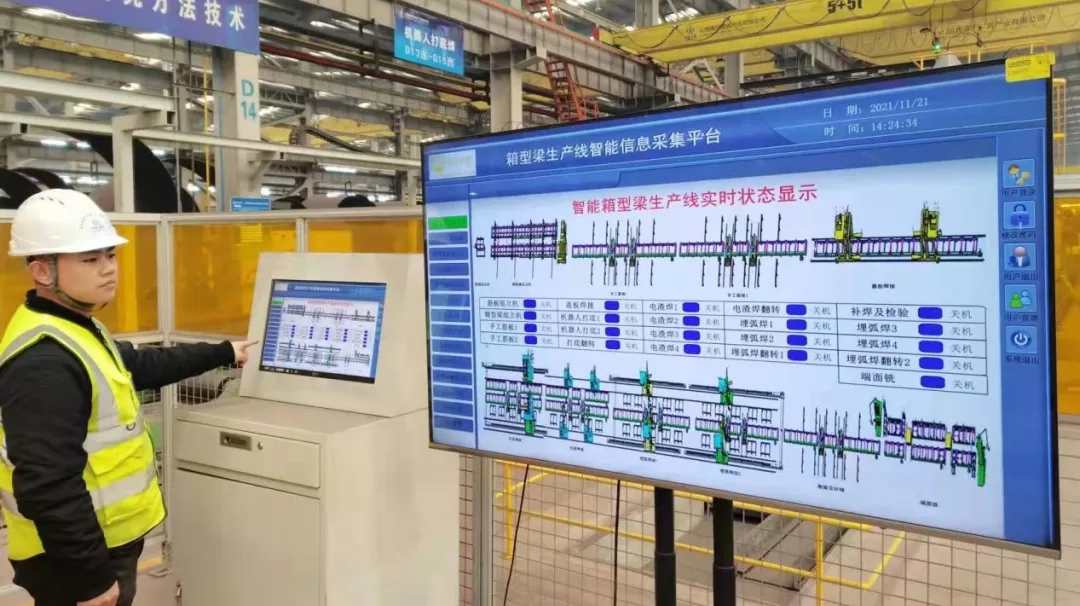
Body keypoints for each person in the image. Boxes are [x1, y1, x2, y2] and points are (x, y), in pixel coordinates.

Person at [0, 189, 257, 606]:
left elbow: (140, 364)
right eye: (90, 259)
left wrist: (224, 352)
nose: (109, 269)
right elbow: (47, 483)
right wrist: (90, 580)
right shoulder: (44, 362)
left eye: (110, 255)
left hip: (102, 541)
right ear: (42, 272)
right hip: (75, 559)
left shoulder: (76, 328)